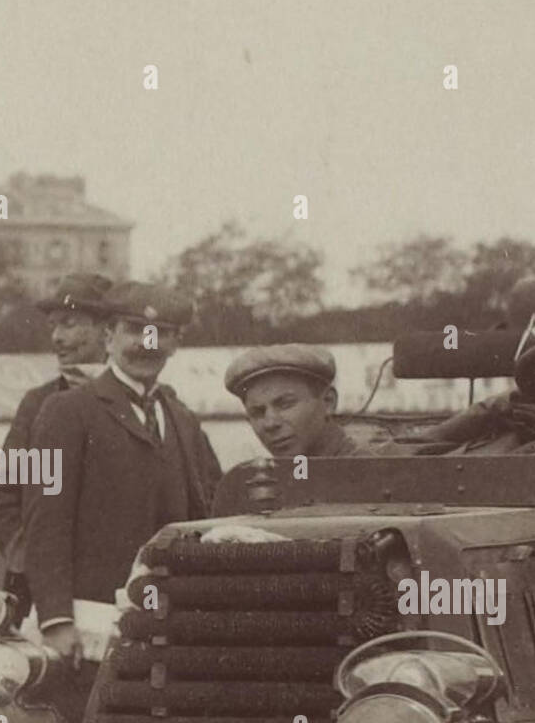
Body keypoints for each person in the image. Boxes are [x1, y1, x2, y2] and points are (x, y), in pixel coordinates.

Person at [23, 282, 222, 658]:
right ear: (109, 336)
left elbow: (206, 514)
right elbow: (45, 522)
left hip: (168, 626)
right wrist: (56, 619)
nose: (146, 344)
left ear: (176, 343)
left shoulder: (183, 420)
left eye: (160, 334)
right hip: (87, 629)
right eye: (134, 330)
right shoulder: (66, 410)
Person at [0, 273, 112, 617]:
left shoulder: (139, 404)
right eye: (54, 326)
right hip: (42, 592)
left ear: (107, 330)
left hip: (116, 588)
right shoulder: (37, 403)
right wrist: (31, 560)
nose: (57, 337)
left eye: (69, 325)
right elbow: (2, 497)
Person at [224, 344, 398, 457]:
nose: (270, 423)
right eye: (258, 412)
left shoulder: (374, 469)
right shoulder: (279, 478)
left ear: (328, 402)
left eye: (285, 404)